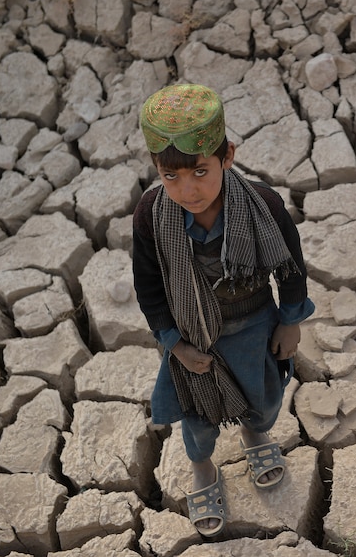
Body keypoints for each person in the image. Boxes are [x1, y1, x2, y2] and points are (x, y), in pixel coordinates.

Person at [132, 83, 315, 537]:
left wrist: (290, 324)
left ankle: (255, 435)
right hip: (194, 338)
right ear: (157, 169)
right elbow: (149, 288)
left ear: (226, 156)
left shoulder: (262, 205)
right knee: (197, 417)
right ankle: (204, 470)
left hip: (255, 325)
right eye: (170, 176)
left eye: (199, 171)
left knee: (264, 397)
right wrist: (175, 345)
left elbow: (291, 270)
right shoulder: (152, 215)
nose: (187, 189)